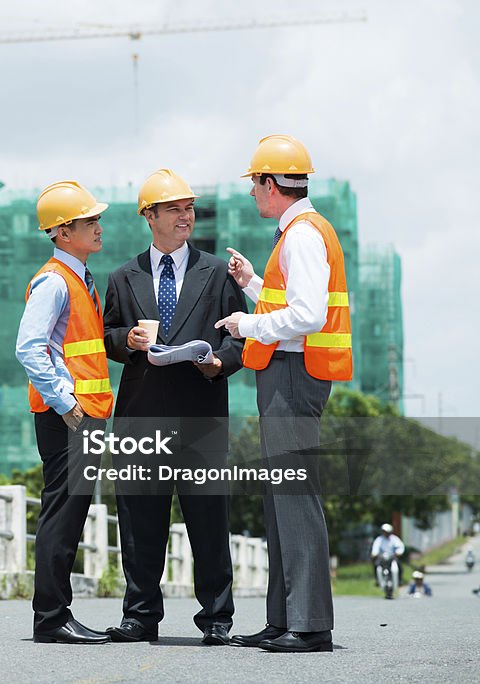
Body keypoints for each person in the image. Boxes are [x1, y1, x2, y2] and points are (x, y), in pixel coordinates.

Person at [216, 134, 353, 653]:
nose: (252, 193)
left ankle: (310, 623)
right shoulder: (299, 232)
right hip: (290, 371)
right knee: (281, 499)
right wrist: (253, 282)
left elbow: (308, 316)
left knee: (294, 496)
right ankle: (284, 619)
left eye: (255, 184)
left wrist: (246, 323)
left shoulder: (300, 235)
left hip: (294, 375)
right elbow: (292, 305)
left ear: (272, 185)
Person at [102, 169, 247, 645]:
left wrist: (216, 363)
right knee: (141, 521)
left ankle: (217, 619)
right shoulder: (124, 277)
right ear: (150, 217)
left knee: (208, 519)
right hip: (141, 415)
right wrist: (129, 339)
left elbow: (236, 340)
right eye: (174, 209)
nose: (186, 217)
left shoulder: (216, 274)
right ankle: (140, 616)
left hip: (201, 412)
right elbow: (106, 337)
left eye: (189, 209)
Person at [16, 180, 114, 644]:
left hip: (84, 415)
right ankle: (52, 618)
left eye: (96, 220)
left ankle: (57, 614)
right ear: (60, 231)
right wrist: (66, 402)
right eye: (88, 221)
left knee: (71, 514)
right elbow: (29, 349)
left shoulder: (79, 279)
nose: (98, 228)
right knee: (61, 514)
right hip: (68, 418)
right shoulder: (55, 281)